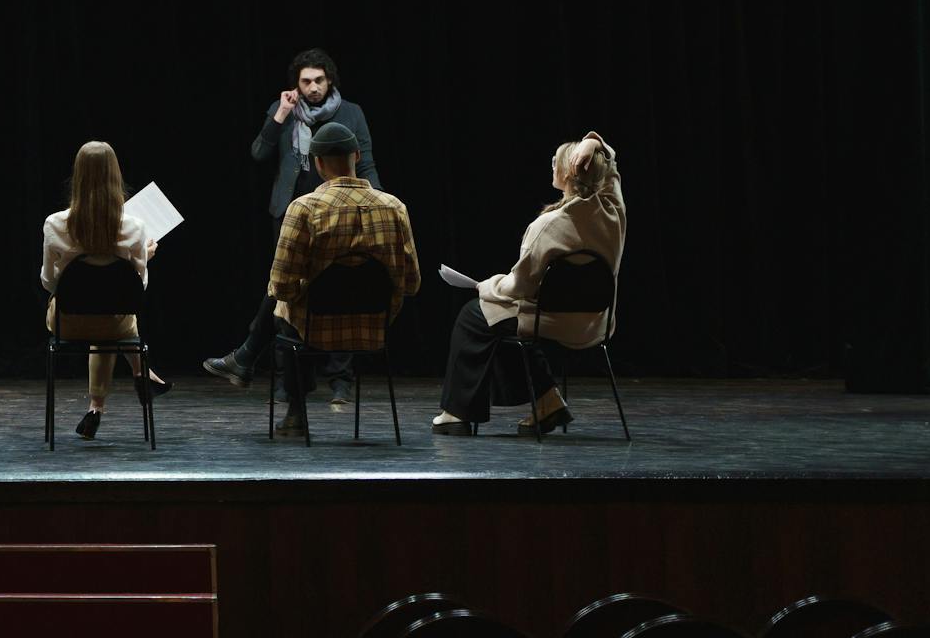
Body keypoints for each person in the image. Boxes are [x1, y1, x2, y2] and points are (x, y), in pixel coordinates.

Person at [203, 47, 382, 405]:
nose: (313, 87)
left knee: (340, 286)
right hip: (290, 215)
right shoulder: (283, 110)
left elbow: (366, 163)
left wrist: (375, 201)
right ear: (296, 85)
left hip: (339, 211)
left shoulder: (351, 113)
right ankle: (287, 378)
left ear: (329, 81)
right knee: (287, 288)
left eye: (319, 80)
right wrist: (281, 115)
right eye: (306, 82)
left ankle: (339, 380)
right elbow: (258, 153)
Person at [433, 131, 624, 435]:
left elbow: (518, 288)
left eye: (555, 161)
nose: (551, 165)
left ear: (567, 172)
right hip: (596, 324)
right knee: (499, 322)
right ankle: (548, 401)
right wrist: (595, 143)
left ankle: (456, 413)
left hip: (553, 324)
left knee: (476, 315)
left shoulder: (547, 226)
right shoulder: (614, 214)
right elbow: (611, 169)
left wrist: (487, 286)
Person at [233, 120, 418, 434]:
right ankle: (245, 361)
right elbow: (411, 283)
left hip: (312, 330)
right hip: (374, 329)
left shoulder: (304, 208)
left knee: (283, 309)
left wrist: (312, 286)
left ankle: (295, 412)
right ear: (357, 157)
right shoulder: (395, 207)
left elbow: (282, 286)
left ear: (317, 164)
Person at [40, 141, 169, 440]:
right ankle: (142, 374)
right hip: (116, 322)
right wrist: (144, 258)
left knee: (100, 312)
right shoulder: (136, 227)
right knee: (115, 316)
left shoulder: (54, 224)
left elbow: (48, 282)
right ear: (115, 176)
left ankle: (96, 407)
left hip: (66, 324)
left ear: (78, 176)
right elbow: (140, 288)